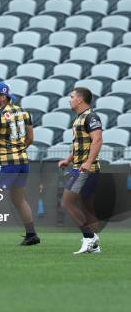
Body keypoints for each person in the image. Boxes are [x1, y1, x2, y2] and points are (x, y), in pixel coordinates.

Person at [0, 82, 40, 247]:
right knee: (19, 199)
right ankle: (31, 234)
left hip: (4, 163)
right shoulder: (23, 112)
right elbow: (30, 138)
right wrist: (17, 149)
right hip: (22, 162)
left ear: (3, 97)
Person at [58, 87, 103, 254]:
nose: (69, 100)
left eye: (71, 97)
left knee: (67, 203)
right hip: (81, 167)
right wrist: (68, 160)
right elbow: (79, 145)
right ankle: (95, 246)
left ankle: (89, 237)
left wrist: (88, 161)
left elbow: (97, 140)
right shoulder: (79, 118)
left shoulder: (91, 117)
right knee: (86, 206)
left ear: (80, 100)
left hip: (85, 169)